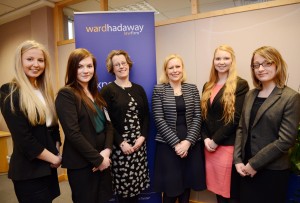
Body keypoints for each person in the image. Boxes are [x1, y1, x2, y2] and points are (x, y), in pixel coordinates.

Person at [234, 46, 300, 203]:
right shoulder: (251, 94)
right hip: (245, 168)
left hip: (272, 171)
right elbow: (242, 128)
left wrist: (254, 164)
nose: (260, 69)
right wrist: (237, 160)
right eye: (256, 65)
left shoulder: (290, 97)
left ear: (277, 64)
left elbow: (285, 140)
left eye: (266, 63)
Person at [0, 40, 61, 202]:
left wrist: (57, 148)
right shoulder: (9, 91)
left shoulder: (44, 90)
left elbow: (52, 127)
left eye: (40, 60)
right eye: (30, 59)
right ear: (19, 61)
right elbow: (24, 138)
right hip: (29, 171)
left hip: (47, 168)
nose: (36, 64)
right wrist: (54, 158)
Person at [55, 48, 113, 203]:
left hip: (103, 158)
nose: (86, 70)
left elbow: (109, 126)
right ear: (72, 68)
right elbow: (73, 133)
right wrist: (97, 160)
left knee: (103, 198)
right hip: (82, 164)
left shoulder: (96, 94)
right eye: (80, 66)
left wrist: (106, 153)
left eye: (89, 66)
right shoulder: (66, 94)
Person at [152, 54, 206, 203]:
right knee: (171, 188)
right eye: (171, 67)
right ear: (166, 70)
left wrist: (187, 142)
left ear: (182, 68)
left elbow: (197, 116)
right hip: (168, 146)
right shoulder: (159, 90)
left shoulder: (192, 88)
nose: (175, 70)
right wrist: (177, 144)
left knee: (186, 184)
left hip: (191, 145)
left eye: (178, 66)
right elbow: (158, 118)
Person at [99, 50, 150, 203]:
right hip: (120, 147)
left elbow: (146, 116)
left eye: (123, 63)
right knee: (124, 191)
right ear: (112, 69)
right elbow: (107, 122)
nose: (121, 66)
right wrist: (121, 142)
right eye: (117, 64)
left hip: (138, 145)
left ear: (128, 64)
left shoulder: (139, 89)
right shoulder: (107, 91)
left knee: (136, 189)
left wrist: (142, 137)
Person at [201, 45, 249, 203]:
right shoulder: (207, 85)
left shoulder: (240, 84)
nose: (221, 62)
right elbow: (203, 116)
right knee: (217, 191)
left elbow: (236, 118)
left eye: (226, 58)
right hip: (209, 147)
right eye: (218, 58)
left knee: (229, 192)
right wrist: (206, 139)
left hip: (226, 146)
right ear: (213, 61)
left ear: (232, 61)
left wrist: (215, 140)